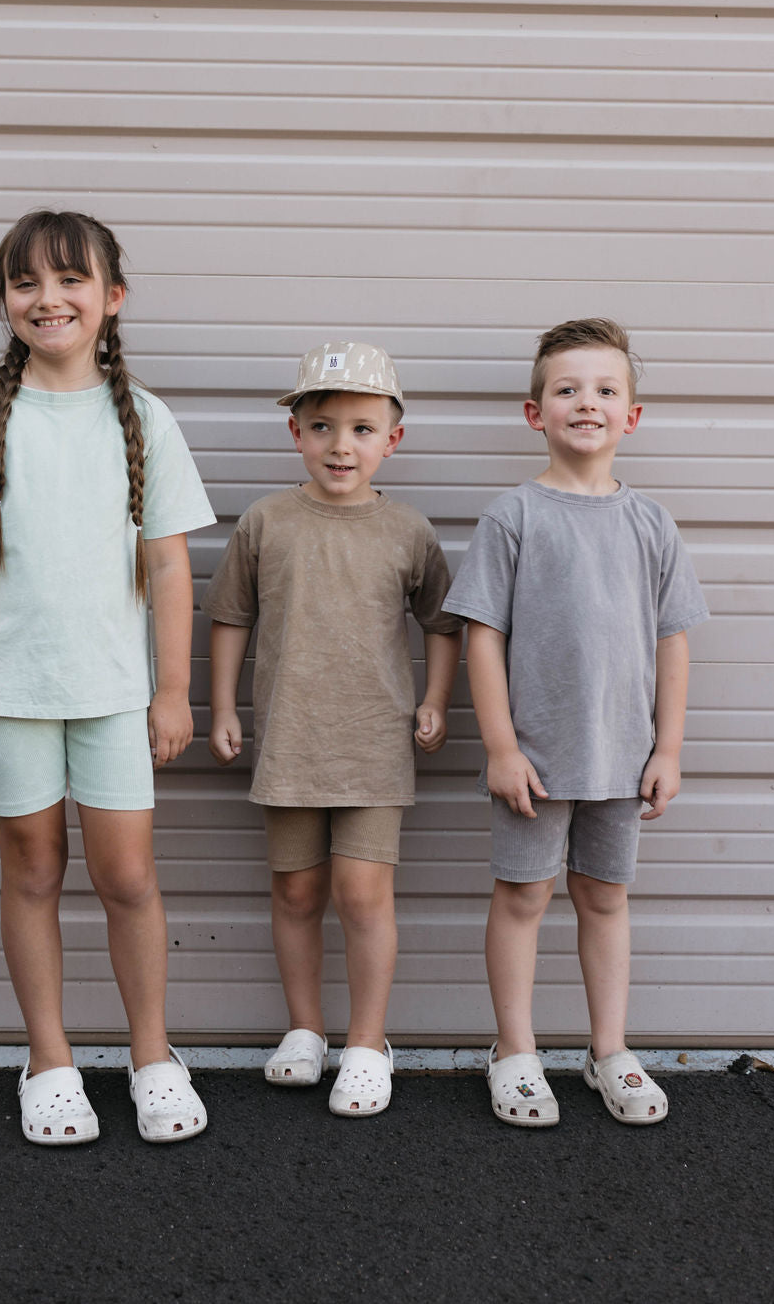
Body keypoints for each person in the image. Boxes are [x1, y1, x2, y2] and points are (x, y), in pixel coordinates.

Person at [0, 210, 216, 1145]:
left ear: (112, 298)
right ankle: (49, 1058)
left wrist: (171, 689)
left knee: (128, 874)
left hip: (117, 693)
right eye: (26, 282)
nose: (49, 298)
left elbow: (167, 567)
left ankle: (152, 1056)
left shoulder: (144, 418)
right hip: (12, 695)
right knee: (33, 870)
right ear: (6, 302)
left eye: (71, 280)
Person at [444, 318, 708, 1128]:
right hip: (536, 757)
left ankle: (608, 1050)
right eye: (566, 389)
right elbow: (480, 635)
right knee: (523, 896)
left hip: (623, 759)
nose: (585, 403)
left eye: (604, 390)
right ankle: (516, 1050)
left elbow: (673, 642)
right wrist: (498, 745)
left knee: (604, 898)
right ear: (536, 413)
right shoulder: (513, 516)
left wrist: (668, 746)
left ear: (632, 415)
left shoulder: (652, 523)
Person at [202, 343, 462, 1116]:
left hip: (375, 743)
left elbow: (443, 622)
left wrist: (437, 701)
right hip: (290, 740)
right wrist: (220, 709)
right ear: (296, 433)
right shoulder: (265, 521)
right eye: (321, 426)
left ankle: (366, 1042)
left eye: (359, 428)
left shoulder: (408, 531)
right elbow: (229, 616)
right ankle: (305, 1030)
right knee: (295, 889)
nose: (340, 445)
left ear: (392, 438)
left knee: (361, 893)